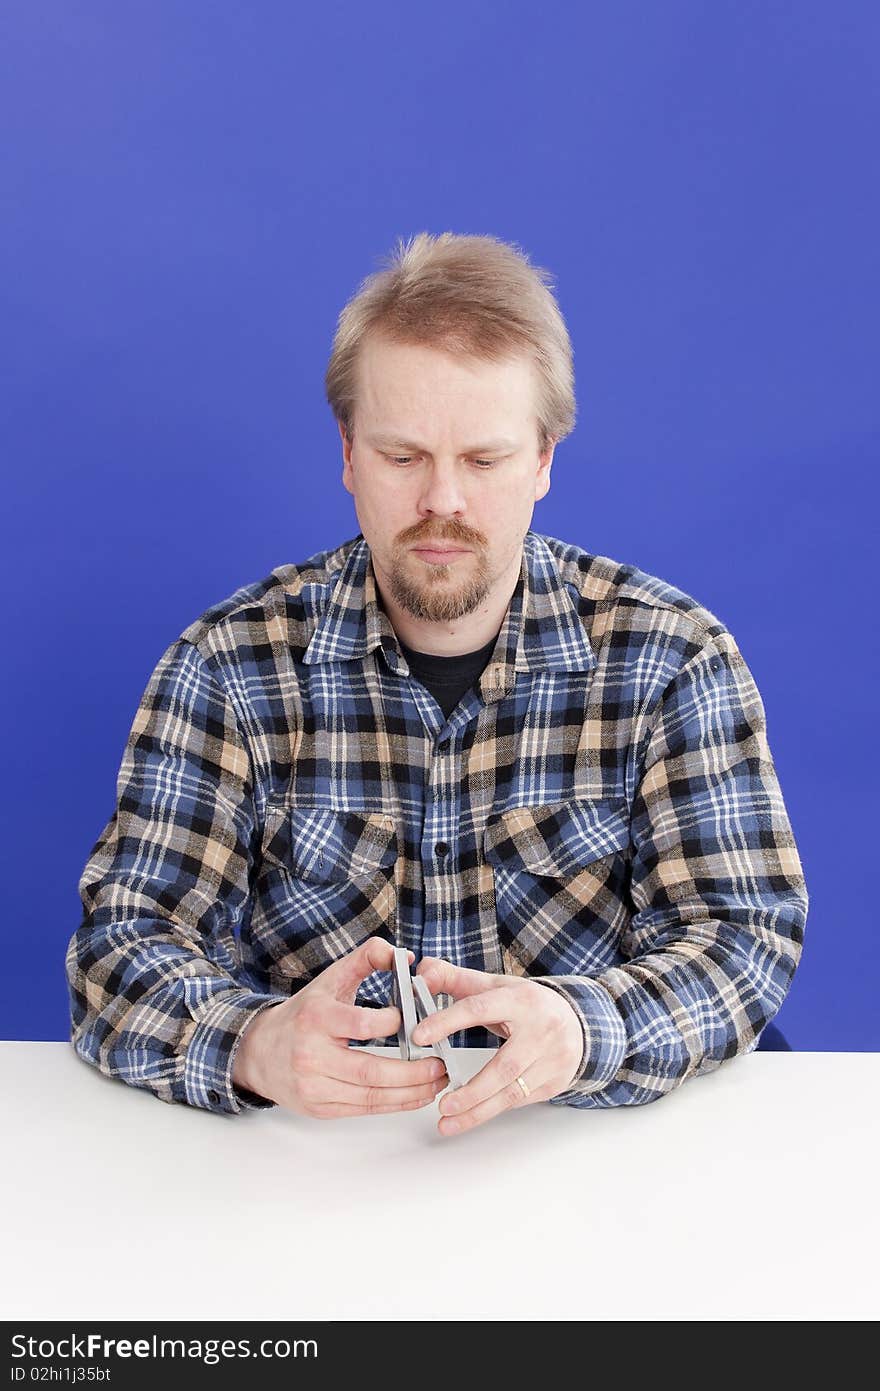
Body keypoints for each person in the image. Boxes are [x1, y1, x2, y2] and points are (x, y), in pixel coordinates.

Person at [66, 231, 809, 1137]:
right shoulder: (230, 666)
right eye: (402, 455)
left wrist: (585, 1025)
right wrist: (253, 1041)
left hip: (598, 1153)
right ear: (347, 454)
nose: (442, 502)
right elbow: (121, 944)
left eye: (484, 460)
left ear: (543, 460)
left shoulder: (671, 659)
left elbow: (743, 935)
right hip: (313, 1172)